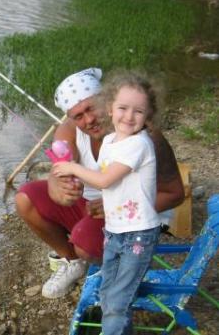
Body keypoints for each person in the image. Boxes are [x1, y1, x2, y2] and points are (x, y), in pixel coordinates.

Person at [15, 68, 184, 299]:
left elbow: (175, 193)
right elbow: (61, 165)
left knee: (84, 242)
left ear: (108, 101)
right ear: (71, 119)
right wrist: (58, 185)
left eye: (91, 107)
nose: (89, 119)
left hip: (135, 216)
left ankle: (117, 267)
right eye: (78, 116)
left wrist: (118, 205)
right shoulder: (69, 131)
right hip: (94, 208)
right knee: (25, 198)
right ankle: (72, 262)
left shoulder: (146, 136)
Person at [53, 71, 162, 334]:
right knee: (107, 290)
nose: (129, 116)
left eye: (138, 112)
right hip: (114, 231)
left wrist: (72, 168)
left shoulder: (139, 144)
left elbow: (103, 179)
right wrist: (102, 200)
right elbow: (117, 185)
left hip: (137, 235)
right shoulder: (112, 141)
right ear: (110, 109)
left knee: (117, 301)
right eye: (123, 108)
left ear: (147, 117)